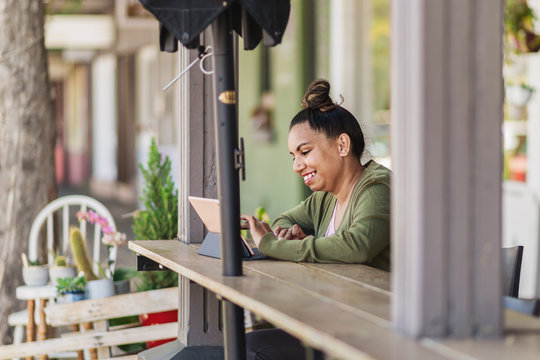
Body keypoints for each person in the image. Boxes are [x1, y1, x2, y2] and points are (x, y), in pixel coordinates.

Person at [241, 79, 391, 360]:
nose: (297, 166)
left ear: (342, 145)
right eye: (293, 156)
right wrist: (286, 235)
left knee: (253, 348)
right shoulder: (326, 197)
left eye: (305, 152)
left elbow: (359, 245)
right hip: (332, 326)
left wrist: (274, 245)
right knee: (249, 343)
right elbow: (286, 220)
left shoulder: (377, 186)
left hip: (372, 337)